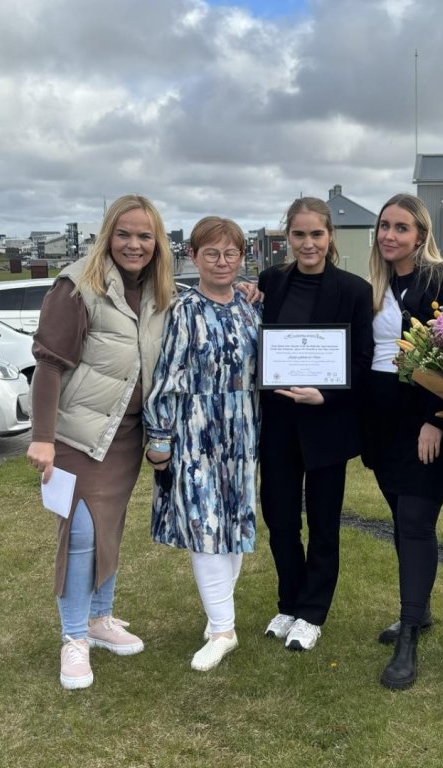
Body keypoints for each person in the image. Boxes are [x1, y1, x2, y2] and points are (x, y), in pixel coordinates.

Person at [26, 194, 174, 690]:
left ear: (158, 243)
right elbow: (49, 366)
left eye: (145, 236)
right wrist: (43, 439)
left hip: (125, 439)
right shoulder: (78, 287)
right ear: (108, 235)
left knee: (109, 527)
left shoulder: (157, 294)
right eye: (125, 234)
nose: (134, 244)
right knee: (82, 533)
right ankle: (74, 637)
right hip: (75, 438)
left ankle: (100, 617)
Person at [364, 193, 443, 690]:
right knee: (399, 515)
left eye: (401, 228)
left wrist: (437, 420)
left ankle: (409, 634)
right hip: (381, 418)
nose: (390, 235)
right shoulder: (373, 283)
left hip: (429, 420)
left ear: (421, 235)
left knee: (415, 518)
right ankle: (420, 611)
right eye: (384, 226)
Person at [143, 216, 260, 672]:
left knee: (232, 522)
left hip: (244, 430)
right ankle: (224, 629)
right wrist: (160, 437)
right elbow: (166, 377)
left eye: (231, 253)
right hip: (195, 431)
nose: (222, 261)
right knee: (204, 524)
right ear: (193, 256)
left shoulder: (250, 308)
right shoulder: (183, 309)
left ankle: (219, 620)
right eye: (211, 253)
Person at [258, 197, 374, 651]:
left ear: (330, 238)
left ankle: (313, 611)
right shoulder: (272, 281)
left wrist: (326, 393)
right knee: (281, 518)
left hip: (326, 420)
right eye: (299, 235)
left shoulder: (354, 290)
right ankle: (289, 602)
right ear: (287, 237)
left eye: (317, 234)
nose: (308, 244)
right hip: (279, 423)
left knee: (324, 521)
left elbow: (362, 360)